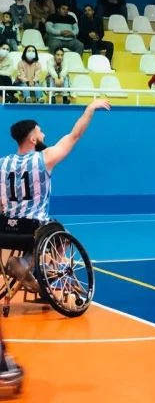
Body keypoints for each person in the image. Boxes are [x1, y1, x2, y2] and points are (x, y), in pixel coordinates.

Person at [0, 99, 110, 286]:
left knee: (38, 233)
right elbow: (74, 135)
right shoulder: (45, 157)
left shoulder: (3, 163)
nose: (44, 134)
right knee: (61, 234)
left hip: (5, 228)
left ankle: (28, 265)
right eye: (40, 131)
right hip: (34, 226)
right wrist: (90, 108)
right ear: (33, 139)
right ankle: (38, 268)